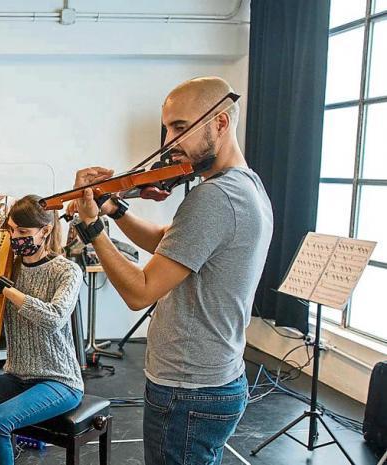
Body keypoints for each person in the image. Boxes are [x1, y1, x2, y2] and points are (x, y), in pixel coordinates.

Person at [67, 76, 273, 465]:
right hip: (216, 377)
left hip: (187, 389)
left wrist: (92, 227)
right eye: (167, 129)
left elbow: (140, 291)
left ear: (220, 123)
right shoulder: (247, 185)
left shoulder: (214, 197)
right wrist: (114, 209)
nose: (169, 142)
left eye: (180, 127)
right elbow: (169, 240)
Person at [0, 195, 84, 465]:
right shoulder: (8, 267)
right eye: (12, 230)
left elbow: (54, 318)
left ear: (45, 231)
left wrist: (1, 286)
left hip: (59, 381)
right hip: (17, 375)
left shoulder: (67, 271)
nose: (15, 237)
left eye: (23, 232)